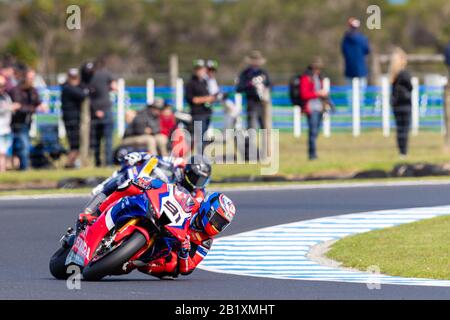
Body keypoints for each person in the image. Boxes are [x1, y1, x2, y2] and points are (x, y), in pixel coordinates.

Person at [78, 175, 235, 280]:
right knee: (130, 186)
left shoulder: (206, 242)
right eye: (217, 220)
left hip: (167, 246)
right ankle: (97, 211)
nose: (217, 226)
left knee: (172, 268)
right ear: (209, 210)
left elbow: (188, 269)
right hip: (162, 220)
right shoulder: (192, 203)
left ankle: (133, 261)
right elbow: (171, 191)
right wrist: (150, 185)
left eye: (222, 224)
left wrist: (184, 253)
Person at [78, 153, 212, 225]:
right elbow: (154, 158)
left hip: (166, 214)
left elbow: (194, 212)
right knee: (128, 175)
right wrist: (139, 156)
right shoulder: (178, 165)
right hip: (151, 190)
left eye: (202, 180)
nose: (197, 183)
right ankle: (93, 208)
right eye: (196, 178)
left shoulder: (199, 194)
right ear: (188, 171)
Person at [9, 69, 47, 170]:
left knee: (21, 147)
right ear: (24, 78)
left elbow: (36, 101)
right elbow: (19, 107)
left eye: (33, 78)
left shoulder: (32, 90)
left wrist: (41, 105)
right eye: (30, 78)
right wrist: (35, 108)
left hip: (27, 123)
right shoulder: (16, 90)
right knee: (23, 147)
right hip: (17, 123)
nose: (31, 80)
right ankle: (24, 169)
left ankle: (21, 167)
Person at [185, 59, 218, 155]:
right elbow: (192, 99)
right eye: (198, 69)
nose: (200, 71)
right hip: (198, 114)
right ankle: (198, 157)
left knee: (203, 136)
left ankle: (201, 155)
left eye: (202, 69)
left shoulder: (205, 82)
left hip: (207, 113)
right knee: (198, 137)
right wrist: (208, 98)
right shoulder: (191, 83)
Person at [89, 58, 117, 167]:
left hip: (94, 110)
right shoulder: (106, 74)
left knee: (96, 139)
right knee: (108, 139)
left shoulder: (90, 77)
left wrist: (96, 110)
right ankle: (108, 163)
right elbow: (114, 87)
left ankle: (97, 162)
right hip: (106, 109)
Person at [299, 57, 329, 160]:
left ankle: (313, 153)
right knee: (312, 132)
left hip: (319, 107)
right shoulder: (306, 78)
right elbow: (304, 94)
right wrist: (317, 93)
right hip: (311, 108)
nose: (318, 70)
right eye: (316, 68)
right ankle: (312, 155)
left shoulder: (319, 77)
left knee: (316, 131)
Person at [236, 50, 271, 130]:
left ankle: (265, 142)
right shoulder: (245, 73)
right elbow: (239, 88)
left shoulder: (263, 73)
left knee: (265, 126)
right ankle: (250, 142)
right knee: (252, 126)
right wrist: (250, 84)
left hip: (263, 103)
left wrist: (264, 90)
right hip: (251, 102)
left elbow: (269, 85)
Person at [61, 68, 89, 168]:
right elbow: (83, 95)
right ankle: (69, 163)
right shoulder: (68, 88)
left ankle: (71, 163)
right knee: (74, 144)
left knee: (75, 143)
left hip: (74, 119)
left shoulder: (71, 87)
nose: (74, 80)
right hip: (71, 120)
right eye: (72, 78)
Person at [341, 17, 370, 107]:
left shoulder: (345, 39)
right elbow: (367, 50)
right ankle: (359, 108)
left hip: (349, 69)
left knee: (350, 91)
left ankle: (352, 109)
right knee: (361, 91)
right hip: (361, 69)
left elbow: (343, 51)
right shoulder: (362, 39)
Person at [389, 48, 412, 158]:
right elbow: (410, 87)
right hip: (406, 104)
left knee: (399, 129)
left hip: (396, 105)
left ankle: (401, 151)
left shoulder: (393, 75)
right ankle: (404, 152)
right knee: (405, 128)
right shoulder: (405, 74)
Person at [206, 59, 240, 130]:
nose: (211, 72)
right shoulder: (205, 79)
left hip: (215, 101)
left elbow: (216, 94)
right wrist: (222, 95)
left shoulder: (212, 80)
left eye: (213, 70)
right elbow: (213, 94)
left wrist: (223, 94)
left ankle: (234, 127)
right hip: (207, 103)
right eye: (209, 70)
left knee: (232, 110)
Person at [0, 75, 18, 172]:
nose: (2, 88)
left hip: (6, 129)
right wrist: (9, 107)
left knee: (4, 153)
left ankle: (3, 172)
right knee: (1, 154)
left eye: (3, 86)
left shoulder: (6, 96)